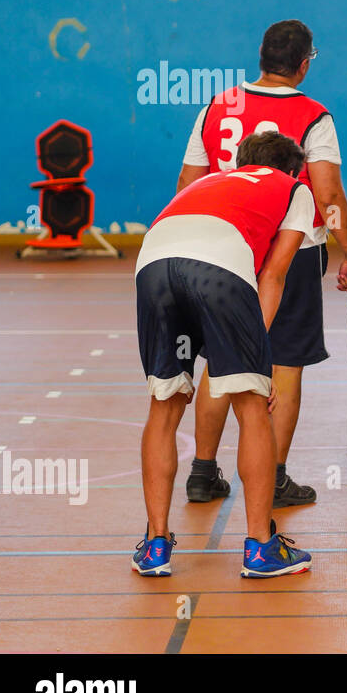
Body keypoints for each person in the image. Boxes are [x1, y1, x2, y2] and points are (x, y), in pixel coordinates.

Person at [176, 20, 347, 509]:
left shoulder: (217, 106)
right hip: (290, 249)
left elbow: (189, 184)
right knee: (286, 363)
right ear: (304, 64)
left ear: (260, 58)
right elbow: (326, 194)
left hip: (224, 247)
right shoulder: (312, 114)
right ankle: (275, 478)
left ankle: (201, 473)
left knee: (220, 358)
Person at [133, 131, 314, 578]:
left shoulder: (210, 181)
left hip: (152, 268)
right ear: (292, 169)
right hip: (218, 272)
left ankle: (155, 546)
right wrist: (259, 357)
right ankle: (260, 549)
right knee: (252, 407)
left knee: (164, 405)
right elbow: (272, 275)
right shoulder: (294, 188)